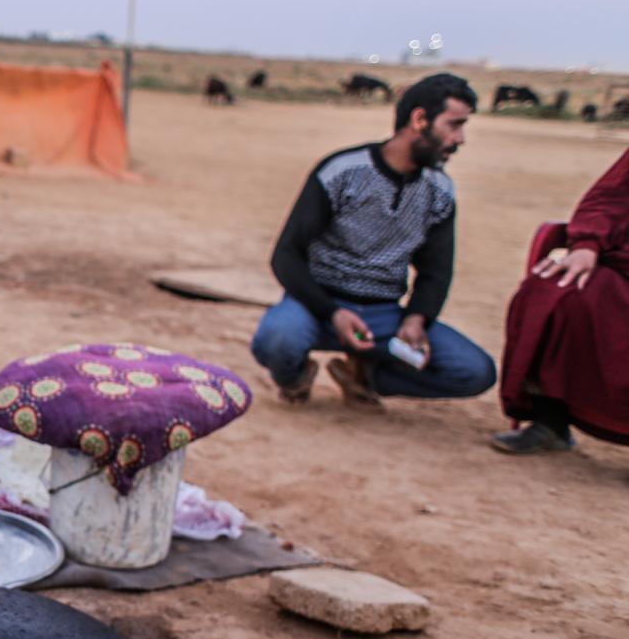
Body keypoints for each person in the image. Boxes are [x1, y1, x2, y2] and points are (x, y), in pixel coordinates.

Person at [250, 73, 497, 407]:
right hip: (317, 306)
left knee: (474, 371)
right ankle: (294, 377)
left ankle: (365, 376)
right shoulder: (343, 171)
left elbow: (435, 271)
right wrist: (333, 311)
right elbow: (286, 255)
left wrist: (416, 319)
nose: (461, 138)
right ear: (419, 119)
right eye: (454, 125)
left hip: (383, 316)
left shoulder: (439, 191)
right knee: (278, 339)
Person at [493, 149, 629, 453]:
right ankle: (550, 422)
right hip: (622, 271)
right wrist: (587, 244)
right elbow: (608, 197)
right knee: (552, 292)